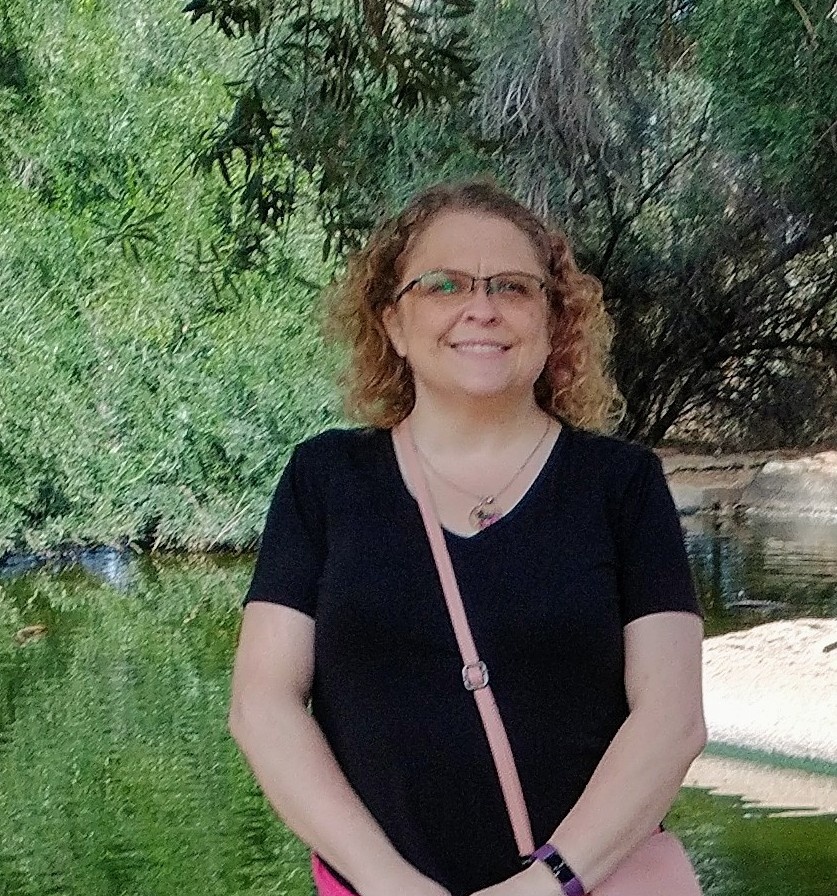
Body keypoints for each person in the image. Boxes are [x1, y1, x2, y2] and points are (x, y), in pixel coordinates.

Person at [228, 179, 706, 896]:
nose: (480, 307)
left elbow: (672, 717)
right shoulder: (323, 480)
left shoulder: (621, 485)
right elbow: (262, 705)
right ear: (393, 323)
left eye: (512, 287)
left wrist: (547, 885)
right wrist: (388, 883)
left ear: (553, 321)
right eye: (444, 284)